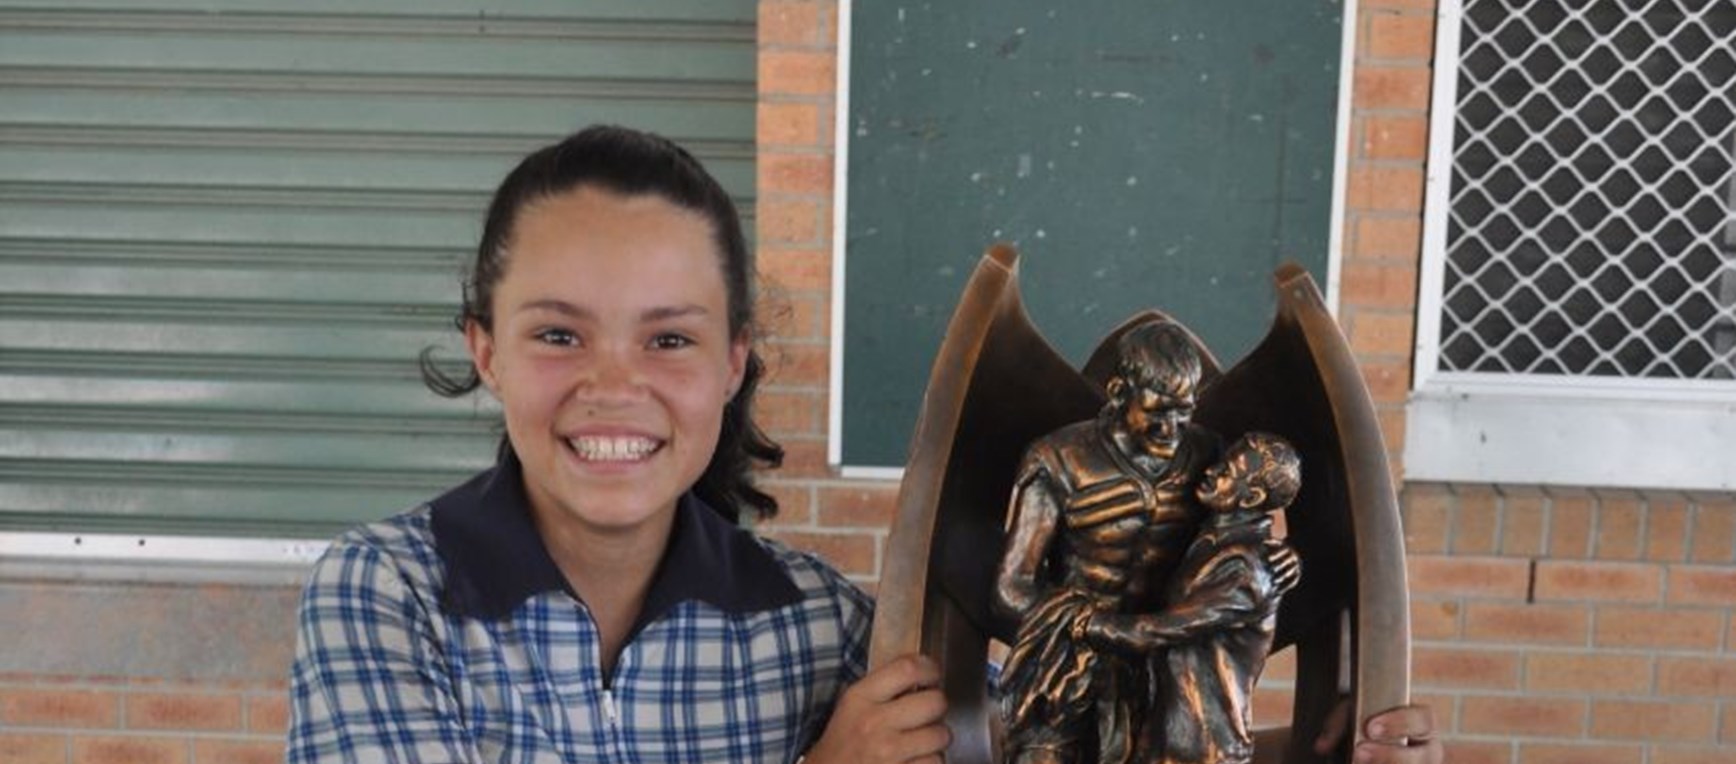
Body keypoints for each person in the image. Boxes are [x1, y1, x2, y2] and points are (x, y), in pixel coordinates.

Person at [287, 125, 948, 763]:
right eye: (558, 336)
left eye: (669, 340)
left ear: (731, 362)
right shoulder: (388, 591)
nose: (613, 388)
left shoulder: (818, 623)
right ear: (487, 353)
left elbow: (999, 727)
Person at [992, 320, 1252, 764]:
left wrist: (1268, 556)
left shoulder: (1208, 455)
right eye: (1157, 411)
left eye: (1183, 412)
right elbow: (1010, 587)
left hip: (1164, 667)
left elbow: (1233, 537)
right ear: (1118, 392)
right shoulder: (1057, 459)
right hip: (1069, 659)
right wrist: (1090, 625)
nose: (1170, 428)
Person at [1082, 432, 1302, 764]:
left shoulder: (1247, 568)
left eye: (1226, 471)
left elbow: (1168, 627)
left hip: (1203, 746)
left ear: (1251, 496)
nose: (1211, 471)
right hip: (1166, 733)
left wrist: (1089, 625)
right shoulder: (1209, 536)